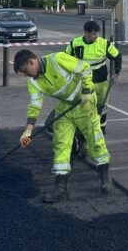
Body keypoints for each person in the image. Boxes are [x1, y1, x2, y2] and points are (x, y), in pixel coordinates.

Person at [14, 48, 110, 203]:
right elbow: (35, 105)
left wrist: (86, 90)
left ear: (31, 62)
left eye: (26, 71)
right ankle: (60, 189)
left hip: (85, 104)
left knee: (95, 139)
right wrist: (27, 131)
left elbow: (84, 67)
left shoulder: (58, 59)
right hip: (64, 108)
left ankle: (105, 177)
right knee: (61, 145)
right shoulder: (33, 82)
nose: (26, 75)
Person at [64, 20, 121, 158]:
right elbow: (65, 60)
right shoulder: (75, 43)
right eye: (93, 34)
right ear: (86, 33)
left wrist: (116, 73)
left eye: (97, 34)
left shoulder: (104, 43)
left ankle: (100, 137)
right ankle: (81, 140)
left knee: (101, 110)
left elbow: (117, 56)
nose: (95, 36)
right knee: (83, 112)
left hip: (101, 83)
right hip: (82, 83)